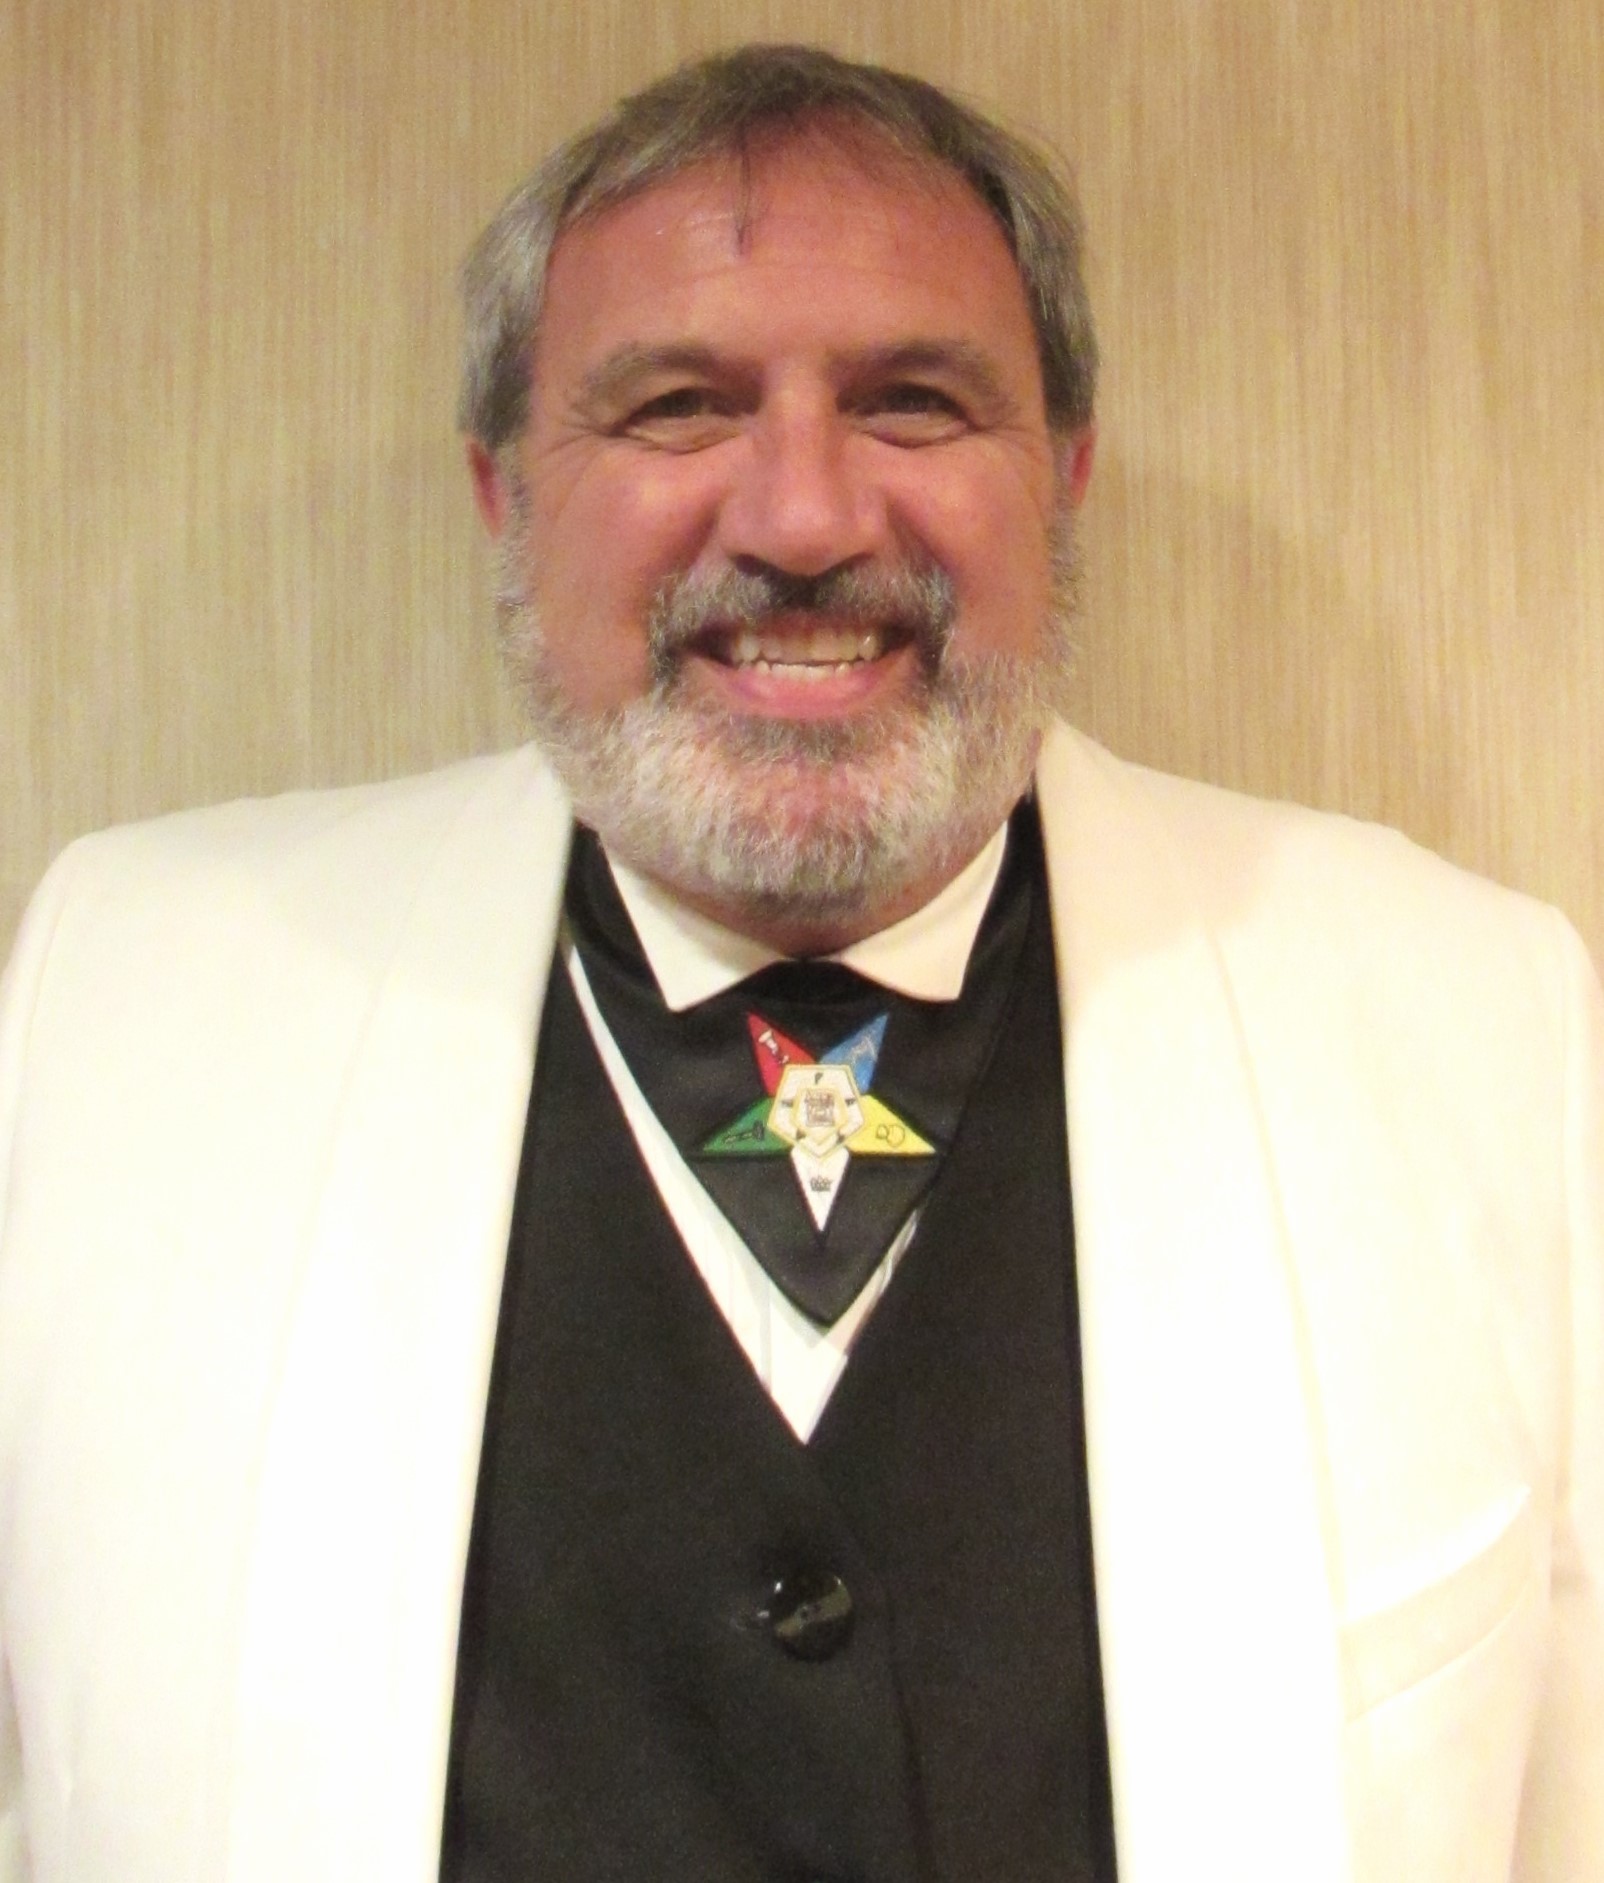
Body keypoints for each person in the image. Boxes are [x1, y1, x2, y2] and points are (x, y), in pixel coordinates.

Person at [0, 42, 1599, 1883]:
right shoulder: (111, 1013)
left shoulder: (1483, 1026)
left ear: (1065, 476)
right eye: (679, 407)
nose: (804, 520)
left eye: (914, 404)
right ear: (504, 494)